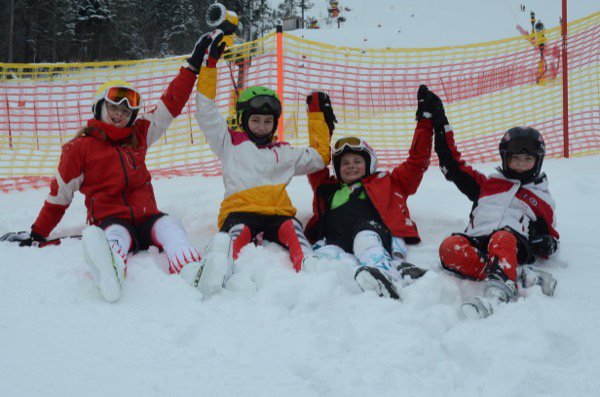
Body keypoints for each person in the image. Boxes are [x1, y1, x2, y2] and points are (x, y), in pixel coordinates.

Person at [1, 32, 222, 302]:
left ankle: (192, 271)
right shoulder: (79, 148)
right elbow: (59, 197)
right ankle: (111, 270)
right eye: (114, 107)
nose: (120, 114)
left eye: (127, 111)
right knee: (114, 238)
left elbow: (170, 104)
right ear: (99, 107)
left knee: (172, 227)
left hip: (147, 217)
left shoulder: (139, 135)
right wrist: (38, 233)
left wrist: (193, 65)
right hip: (110, 219)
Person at [190, 31, 334, 297]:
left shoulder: (283, 152)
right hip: (241, 212)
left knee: (293, 230)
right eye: (255, 120)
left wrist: (316, 115)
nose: (262, 126)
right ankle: (219, 265)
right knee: (238, 233)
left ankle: (308, 264)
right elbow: (206, 111)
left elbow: (319, 157)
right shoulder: (230, 143)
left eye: (268, 122)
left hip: (278, 214)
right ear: (244, 120)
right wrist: (210, 67)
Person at [430, 88, 559, 318]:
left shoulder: (541, 197)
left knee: (502, 238)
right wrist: (440, 122)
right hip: (478, 239)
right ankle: (515, 277)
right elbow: (453, 165)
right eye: (515, 158)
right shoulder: (488, 184)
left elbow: (552, 236)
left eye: (527, 159)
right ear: (505, 159)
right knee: (449, 247)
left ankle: (498, 294)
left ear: (538, 161)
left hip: (511, 242)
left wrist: (546, 242)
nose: (521, 164)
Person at [303, 85, 435, 300]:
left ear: (369, 164)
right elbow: (316, 161)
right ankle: (326, 293)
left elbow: (417, 161)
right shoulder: (328, 188)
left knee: (366, 243)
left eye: (357, 161)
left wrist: (426, 122)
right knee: (320, 259)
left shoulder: (389, 183)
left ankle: (386, 275)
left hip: (369, 231)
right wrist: (318, 116)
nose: (351, 166)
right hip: (335, 239)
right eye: (345, 163)